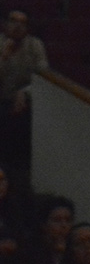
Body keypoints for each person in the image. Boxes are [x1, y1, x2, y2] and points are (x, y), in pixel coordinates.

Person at [0, 9, 49, 170]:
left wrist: (25, 91)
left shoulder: (35, 45)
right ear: (5, 24)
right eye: (14, 21)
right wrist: (3, 58)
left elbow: (44, 79)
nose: (18, 26)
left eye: (23, 23)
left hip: (23, 105)